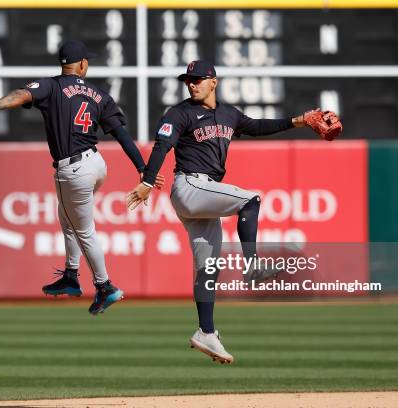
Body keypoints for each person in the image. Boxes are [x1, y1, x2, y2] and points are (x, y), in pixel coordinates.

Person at [126, 60, 328, 363]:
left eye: (197, 79)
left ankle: (205, 331)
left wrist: (298, 121)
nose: (192, 84)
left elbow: (258, 127)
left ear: (213, 82)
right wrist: (145, 180)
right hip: (190, 186)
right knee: (251, 200)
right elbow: (161, 147)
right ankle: (252, 267)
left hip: (201, 194)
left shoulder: (228, 114)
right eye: (188, 80)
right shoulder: (179, 113)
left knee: (207, 266)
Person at [0, 40, 163, 315]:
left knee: (83, 229)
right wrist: (143, 168)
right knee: (67, 218)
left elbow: (21, 95)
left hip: (73, 169)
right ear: (82, 64)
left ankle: (105, 287)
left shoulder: (52, 86)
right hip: (96, 164)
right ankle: (71, 275)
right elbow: (121, 134)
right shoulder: (98, 94)